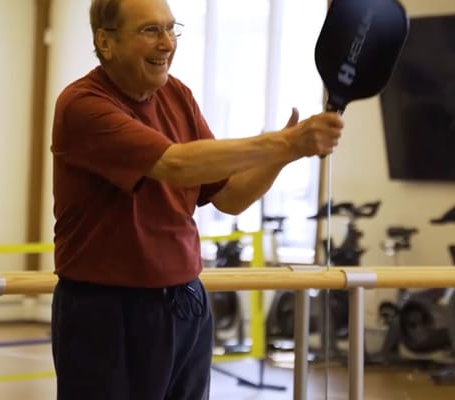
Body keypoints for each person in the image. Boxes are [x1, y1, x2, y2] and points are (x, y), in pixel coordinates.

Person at [49, 0, 344, 398]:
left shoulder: (177, 95)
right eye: (150, 30)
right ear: (106, 41)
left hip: (186, 302)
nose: (167, 43)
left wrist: (287, 153)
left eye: (172, 29)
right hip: (107, 310)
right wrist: (285, 140)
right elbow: (176, 165)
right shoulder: (83, 105)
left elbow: (231, 197)